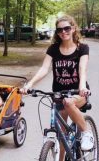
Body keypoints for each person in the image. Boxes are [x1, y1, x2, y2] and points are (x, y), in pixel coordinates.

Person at [20, 15, 94, 160]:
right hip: (59, 94)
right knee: (61, 134)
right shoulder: (53, 49)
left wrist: (82, 87)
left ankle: (87, 133)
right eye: (60, 29)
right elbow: (44, 69)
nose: (63, 32)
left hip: (78, 93)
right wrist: (29, 84)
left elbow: (82, 69)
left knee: (69, 102)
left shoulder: (82, 48)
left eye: (67, 28)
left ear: (73, 29)